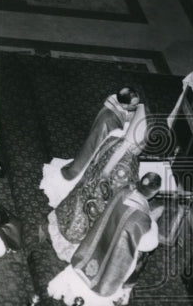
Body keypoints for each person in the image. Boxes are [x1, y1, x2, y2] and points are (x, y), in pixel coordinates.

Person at [47, 173, 162, 306]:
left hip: (99, 242)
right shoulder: (143, 220)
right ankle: (95, 295)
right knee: (140, 257)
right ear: (154, 193)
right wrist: (153, 222)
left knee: (87, 264)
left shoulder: (123, 191)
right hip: (116, 256)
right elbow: (149, 245)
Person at [47, 105, 149, 261]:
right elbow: (122, 188)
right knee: (86, 220)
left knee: (77, 207)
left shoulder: (117, 141)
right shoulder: (127, 163)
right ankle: (73, 237)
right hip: (98, 198)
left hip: (89, 184)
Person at [40, 87, 141, 207]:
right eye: (134, 104)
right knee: (85, 169)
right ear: (124, 105)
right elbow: (112, 140)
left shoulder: (115, 103)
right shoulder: (110, 120)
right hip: (95, 147)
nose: (137, 105)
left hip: (96, 138)